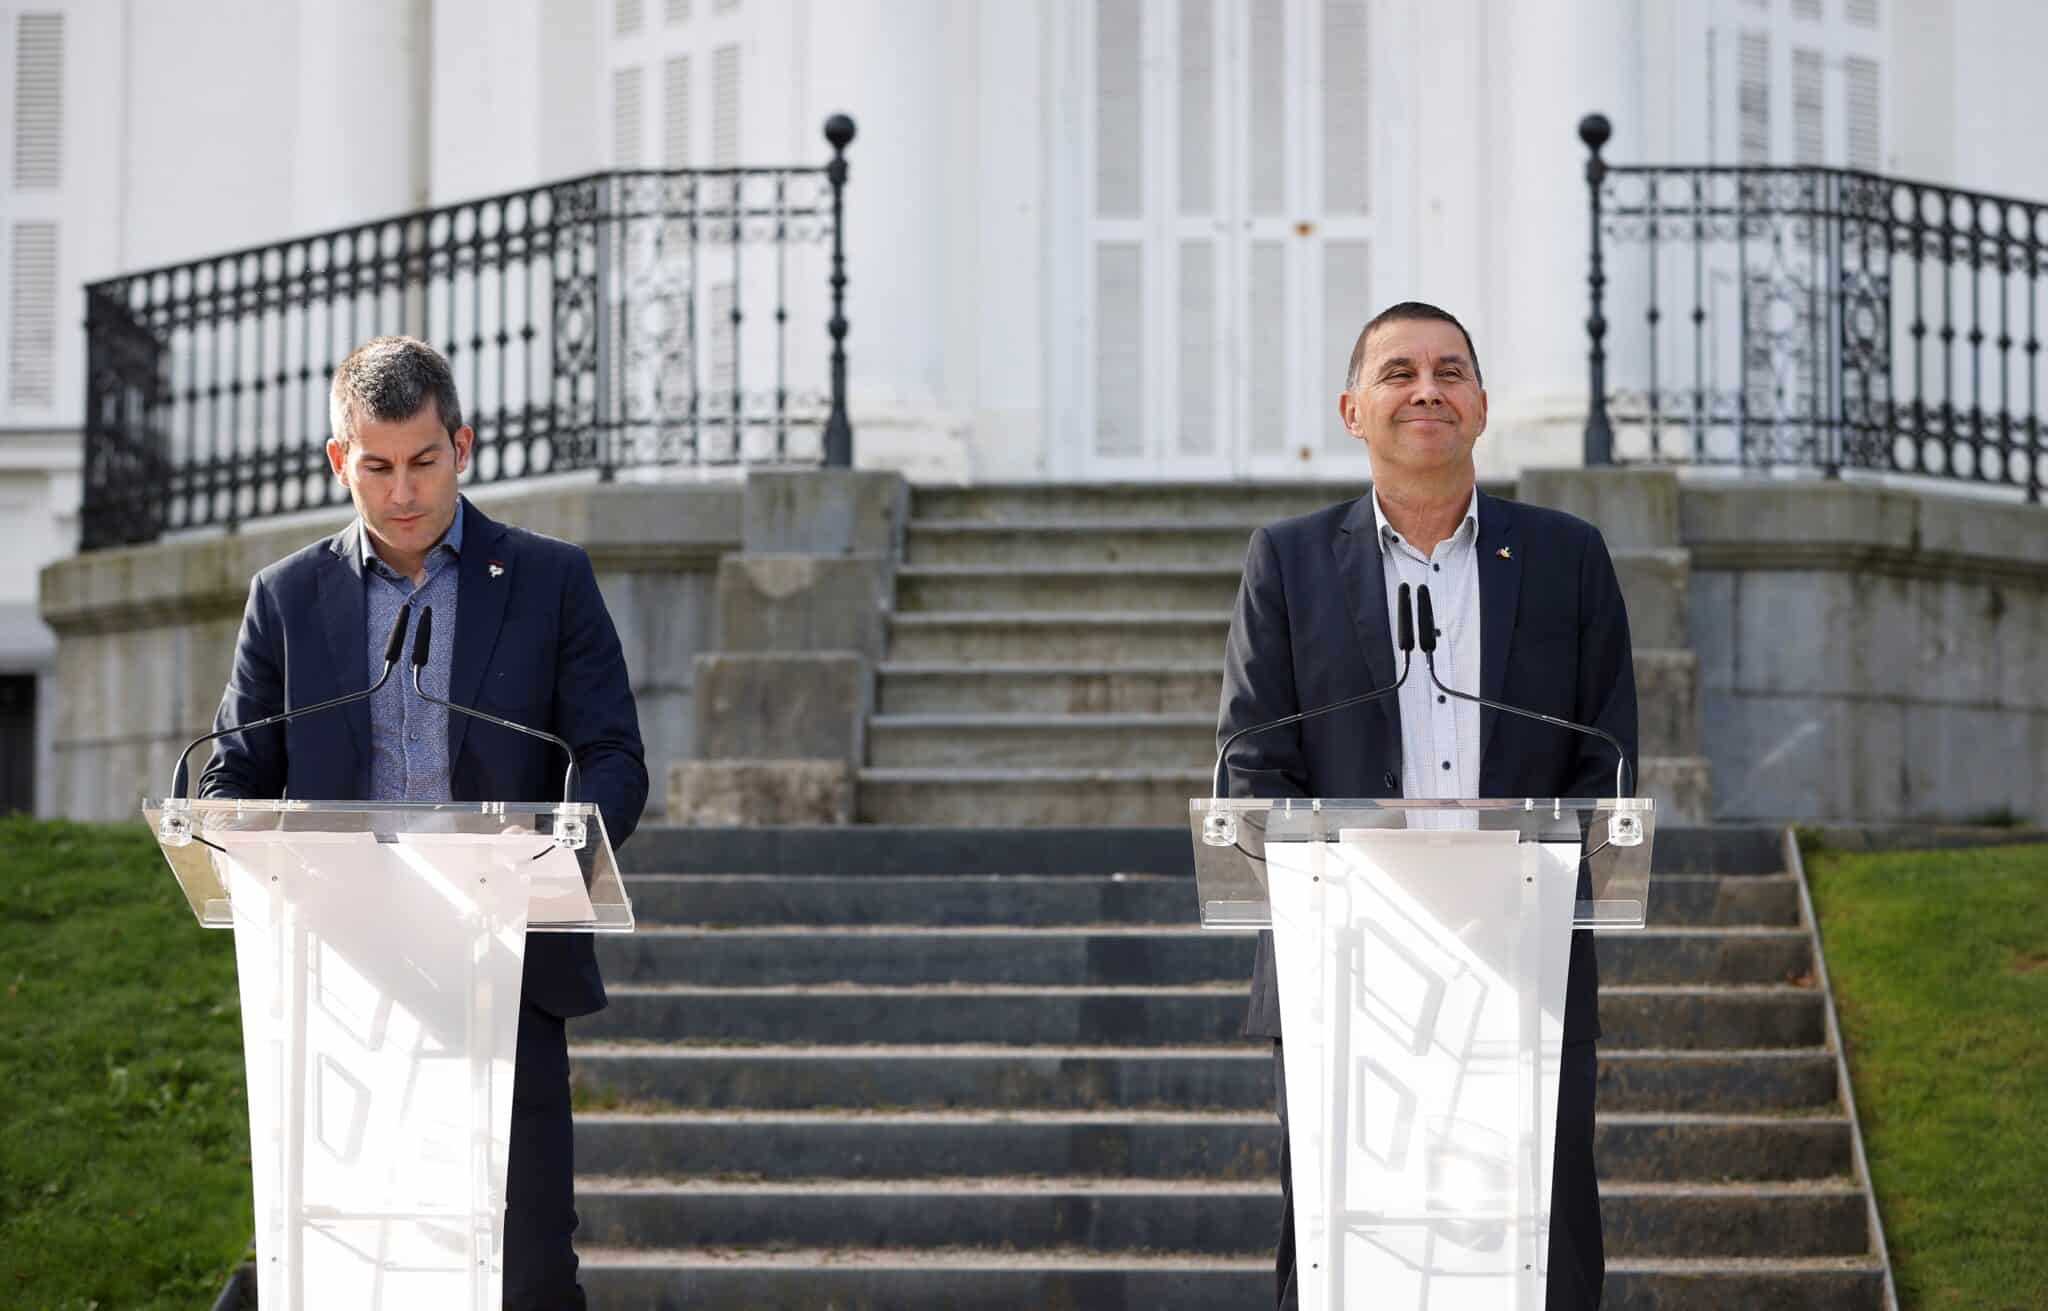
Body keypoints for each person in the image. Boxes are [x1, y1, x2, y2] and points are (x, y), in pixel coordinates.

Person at [200, 335, 648, 1310]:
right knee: (350, 1272)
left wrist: (561, 845)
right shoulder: (285, 600)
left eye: (423, 461)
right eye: (377, 467)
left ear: (463, 446)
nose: (402, 492)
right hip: (342, 981)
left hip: (505, 960)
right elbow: (239, 765)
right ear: (339, 461)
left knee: (525, 1273)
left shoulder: (548, 580)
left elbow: (612, 754)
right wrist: (234, 831)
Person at [1216, 301, 1637, 1310]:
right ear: (1352, 408)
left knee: (1543, 1254)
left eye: (1449, 372)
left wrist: (1530, 869)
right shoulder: (1288, 561)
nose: (1425, 390)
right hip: (1347, 974)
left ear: (1480, 406)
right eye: (1397, 372)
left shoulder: (1565, 556)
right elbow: (1250, 765)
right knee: (1349, 1268)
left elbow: (1605, 758)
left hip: (1518, 960)